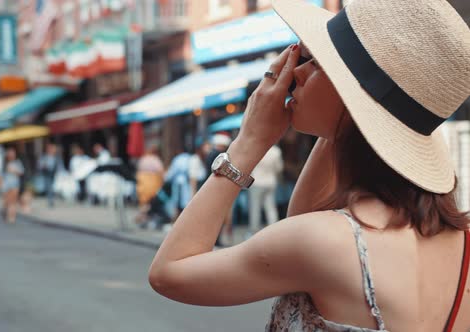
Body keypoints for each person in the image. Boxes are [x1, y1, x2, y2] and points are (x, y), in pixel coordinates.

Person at [148, 0, 470, 330]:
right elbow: (302, 218)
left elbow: (169, 273)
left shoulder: (323, 242)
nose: (297, 71)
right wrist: (346, 120)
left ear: (351, 95)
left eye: (315, 62)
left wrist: (248, 143)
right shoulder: (459, 241)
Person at [247, 145, 283, 238]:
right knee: (270, 207)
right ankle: (274, 230)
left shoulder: (256, 149)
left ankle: (254, 231)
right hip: (270, 182)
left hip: (257, 182)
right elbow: (279, 168)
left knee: (255, 208)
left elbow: (249, 165)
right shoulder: (276, 151)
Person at [204, 133, 233, 246]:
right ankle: (216, 239)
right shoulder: (218, 155)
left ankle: (214, 239)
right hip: (217, 188)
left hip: (211, 187)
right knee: (218, 215)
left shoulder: (210, 154)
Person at [135, 146, 165, 225]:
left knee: (143, 202)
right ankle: (142, 216)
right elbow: (161, 171)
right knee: (149, 202)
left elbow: (138, 171)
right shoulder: (156, 160)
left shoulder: (143, 159)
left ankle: (143, 217)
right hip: (152, 185)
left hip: (142, 184)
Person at [164, 149, 191, 227]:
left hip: (178, 183)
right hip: (186, 184)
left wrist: (166, 178)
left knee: (177, 203)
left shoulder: (177, 159)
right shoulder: (189, 158)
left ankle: (176, 222)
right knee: (185, 203)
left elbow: (171, 173)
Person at [1, 147, 24, 224]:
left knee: (13, 201)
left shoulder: (17, 163)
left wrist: (13, 171)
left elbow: (21, 173)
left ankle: (12, 216)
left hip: (15, 184)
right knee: (7, 201)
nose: (11, 155)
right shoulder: (5, 163)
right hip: (6, 184)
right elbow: (2, 174)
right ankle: (6, 213)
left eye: (12, 153)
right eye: (9, 153)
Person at [38, 143, 61, 208]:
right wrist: (44, 166)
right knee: (49, 187)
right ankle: (50, 201)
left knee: (52, 187)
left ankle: (52, 199)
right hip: (47, 173)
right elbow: (40, 165)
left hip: (54, 173)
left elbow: (59, 166)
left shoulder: (56, 157)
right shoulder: (44, 157)